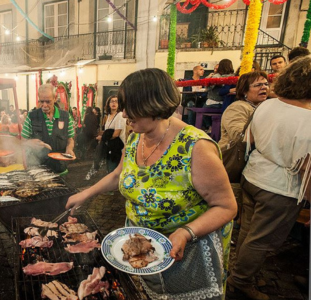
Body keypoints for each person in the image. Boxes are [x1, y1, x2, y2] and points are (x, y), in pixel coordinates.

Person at [66, 68, 236, 299]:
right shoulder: (136, 137)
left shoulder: (196, 147)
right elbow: (119, 175)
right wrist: (86, 193)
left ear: (153, 105)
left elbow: (226, 206)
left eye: (130, 108)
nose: (124, 115)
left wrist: (186, 232)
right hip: (142, 247)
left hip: (189, 251)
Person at [227, 56, 311, 300]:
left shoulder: (267, 106)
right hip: (279, 188)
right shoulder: (306, 120)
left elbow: (249, 141)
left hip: (253, 176)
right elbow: (307, 169)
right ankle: (240, 281)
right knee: (261, 240)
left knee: (248, 232)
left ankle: (240, 272)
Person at [21, 83, 75, 173]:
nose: (44, 105)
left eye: (48, 101)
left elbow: (70, 138)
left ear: (55, 98)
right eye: (41, 102)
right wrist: (30, 142)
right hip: (37, 168)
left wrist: (69, 149)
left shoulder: (65, 116)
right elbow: (23, 140)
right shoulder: (32, 116)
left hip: (59, 167)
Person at [219, 71, 269, 151]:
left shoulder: (263, 107)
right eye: (258, 85)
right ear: (244, 91)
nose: (264, 87)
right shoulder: (237, 108)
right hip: (237, 159)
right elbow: (241, 137)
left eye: (266, 84)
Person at [85, 95, 126, 180]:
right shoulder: (108, 116)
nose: (114, 103)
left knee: (112, 167)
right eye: (112, 101)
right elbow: (107, 130)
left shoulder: (120, 115)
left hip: (117, 147)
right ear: (108, 104)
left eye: (116, 101)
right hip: (109, 145)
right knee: (108, 166)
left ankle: (112, 189)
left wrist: (102, 138)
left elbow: (116, 134)